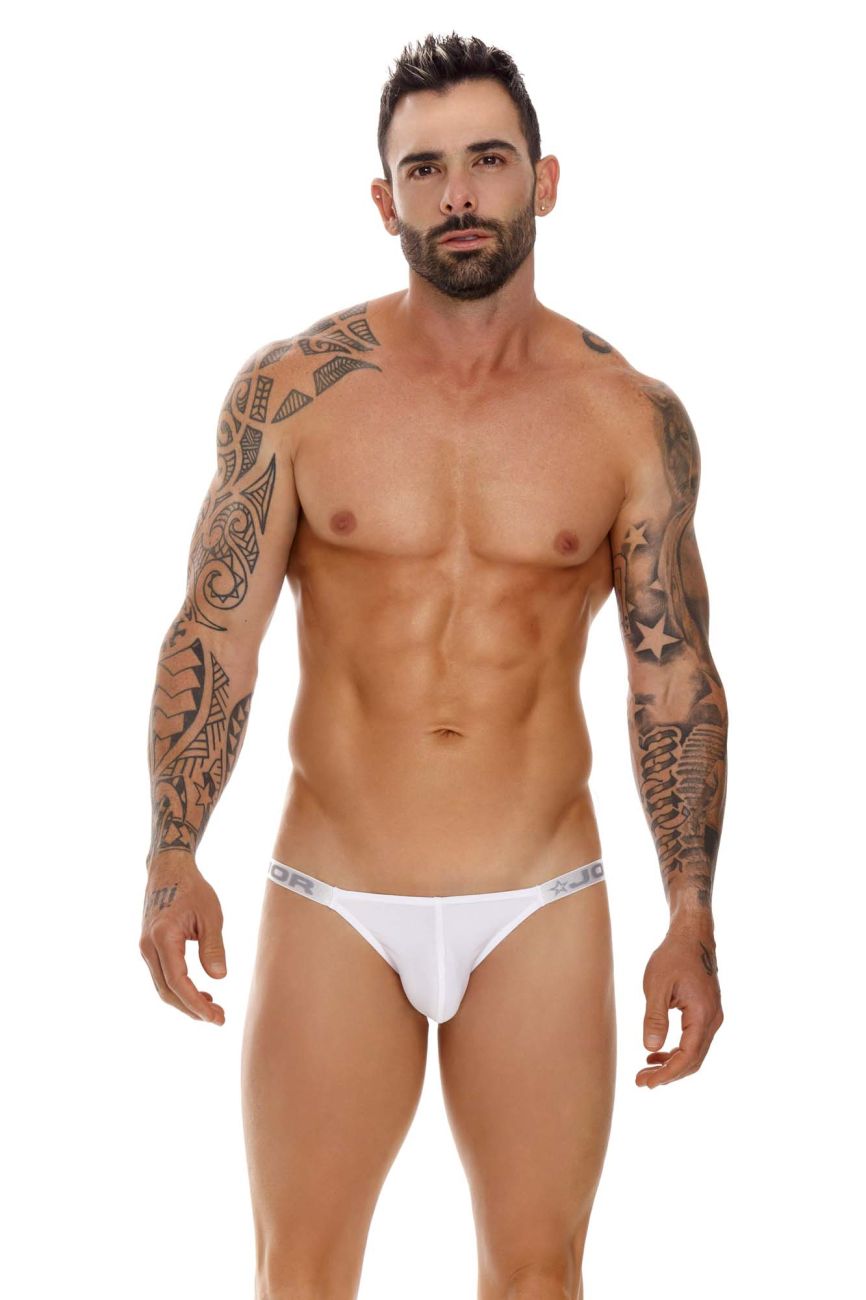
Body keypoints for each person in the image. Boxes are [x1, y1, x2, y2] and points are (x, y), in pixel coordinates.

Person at [140, 30, 727, 1300]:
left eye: (486, 160)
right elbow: (215, 635)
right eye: (423, 169)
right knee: (300, 1276)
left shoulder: (628, 418)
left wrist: (689, 916)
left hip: (539, 895)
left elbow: (670, 675)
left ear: (543, 180)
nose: (456, 193)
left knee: (536, 1277)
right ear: (383, 198)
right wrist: (171, 853)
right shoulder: (293, 393)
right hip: (335, 889)